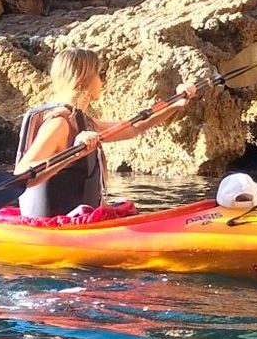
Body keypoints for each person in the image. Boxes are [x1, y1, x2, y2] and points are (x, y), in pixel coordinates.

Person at [14, 48, 197, 220]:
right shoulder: (60, 123)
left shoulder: (82, 121)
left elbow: (135, 128)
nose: (103, 81)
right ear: (82, 81)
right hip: (57, 227)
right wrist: (72, 156)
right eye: (100, 75)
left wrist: (176, 105)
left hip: (79, 220)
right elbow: (23, 172)